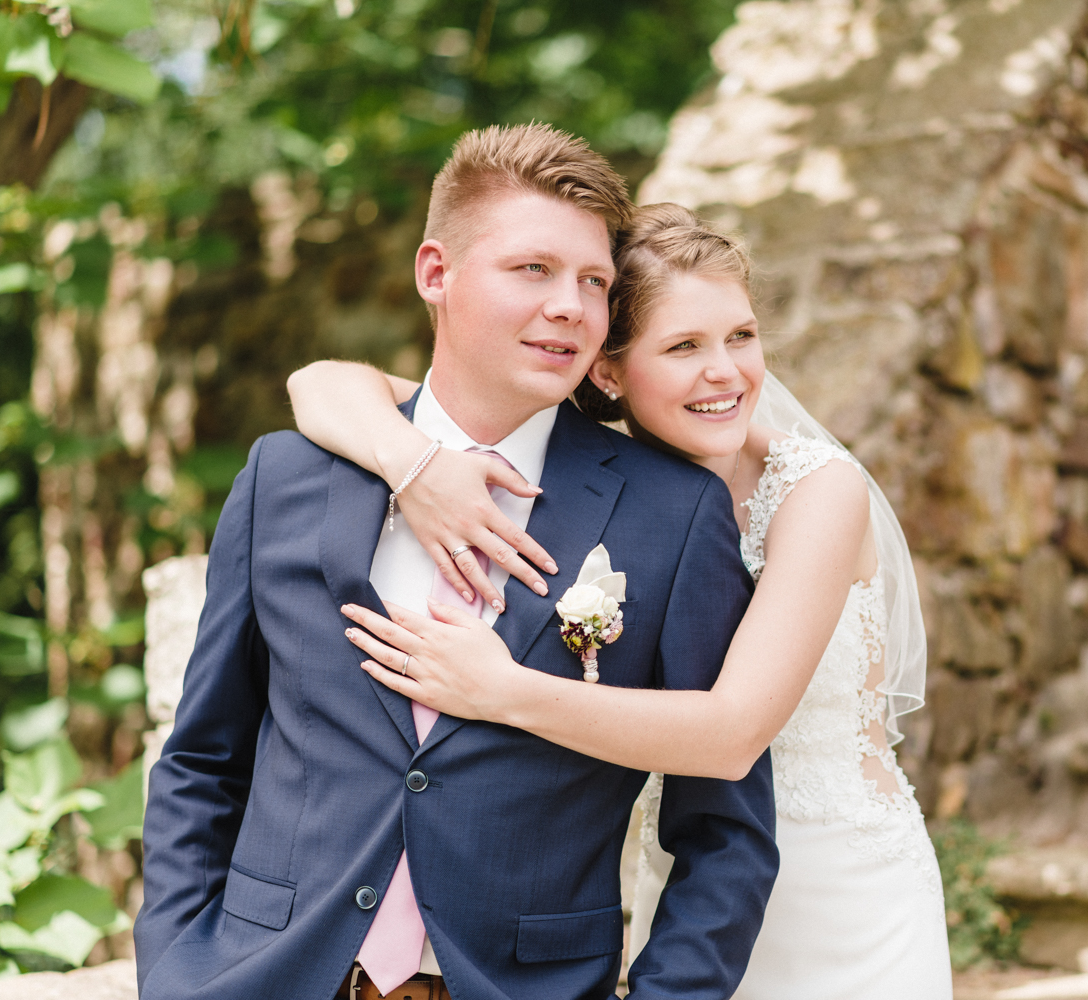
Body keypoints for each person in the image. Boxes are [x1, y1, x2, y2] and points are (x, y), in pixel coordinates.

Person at [135, 125, 779, 1000]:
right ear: (435, 273)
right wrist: (175, 971)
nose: (571, 306)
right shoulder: (285, 479)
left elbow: (727, 831)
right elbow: (204, 762)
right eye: (533, 270)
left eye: (594, 281)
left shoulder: (674, 512)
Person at [287, 203, 953, 999]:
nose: (727, 372)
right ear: (606, 370)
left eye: (741, 336)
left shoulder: (817, 491)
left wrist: (501, 691)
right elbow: (320, 383)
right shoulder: (603, 485)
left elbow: (733, 735)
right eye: (684, 347)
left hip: (842, 893)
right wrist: (413, 465)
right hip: (688, 888)